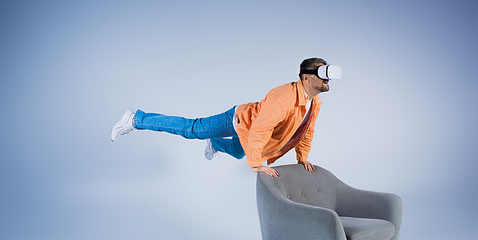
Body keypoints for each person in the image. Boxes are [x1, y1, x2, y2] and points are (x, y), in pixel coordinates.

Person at [111, 58, 335, 178]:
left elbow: (306, 131)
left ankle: (216, 144)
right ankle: (136, 119)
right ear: (306, 78)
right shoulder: (284, 98)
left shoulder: (313, 102)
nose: (328, 80)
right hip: (239, 120)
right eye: (322, 75)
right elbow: (260, 129)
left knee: (238, 152)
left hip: (249, 127)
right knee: (192, 129)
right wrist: (256, 164)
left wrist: (302, 157)